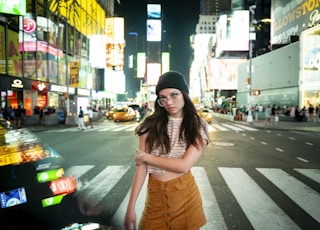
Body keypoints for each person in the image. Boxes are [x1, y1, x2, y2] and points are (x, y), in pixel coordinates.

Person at [124, 71, 210, 230]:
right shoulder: (150, 125)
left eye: (174, 95)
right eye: (162, 98)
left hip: (185, 197)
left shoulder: (197, 126)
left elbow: (184, 165)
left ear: (184, 94)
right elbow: (141, 168)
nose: (169, 101)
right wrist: (130, 208)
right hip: (155, 197)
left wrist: (147, 158)